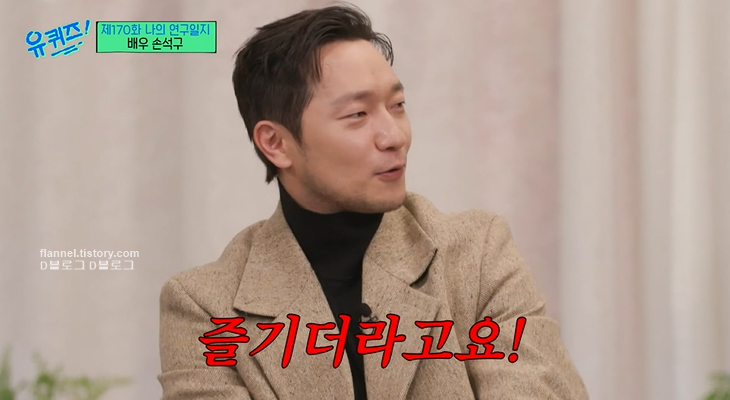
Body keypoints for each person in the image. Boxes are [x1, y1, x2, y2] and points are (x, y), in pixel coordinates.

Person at [157, 3, 589, 399]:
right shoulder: (204, 306)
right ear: (276, 143)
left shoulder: (477, 255)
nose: (395, 136)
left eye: (397, 105)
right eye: (357, 115)